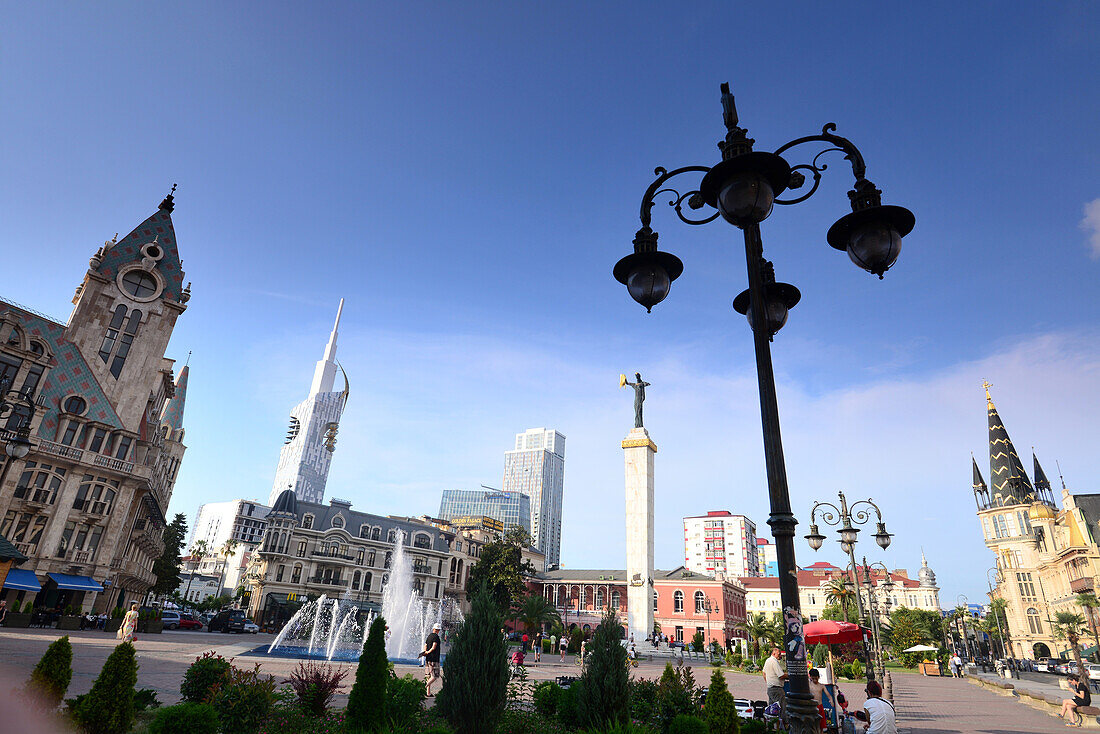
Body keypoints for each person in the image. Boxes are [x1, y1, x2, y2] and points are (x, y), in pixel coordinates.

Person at [762, 646, 788, 719]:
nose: (780, 656)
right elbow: (781, 675)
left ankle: (772, 724)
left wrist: (768, 682)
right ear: (774, 654)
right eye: (779, 654)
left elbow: (764, 673)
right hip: (777, 689)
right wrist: (789, 675)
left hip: (770, 688)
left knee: (772, 708)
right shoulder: (774, 661)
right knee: (782, 707)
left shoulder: (768, 660)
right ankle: (783, 724)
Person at [418, 622, 443, 697]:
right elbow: (434, 647)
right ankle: (423, 688)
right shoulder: (436, 637)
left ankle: (428, 693)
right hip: (434, 659)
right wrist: (428, 652)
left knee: (428, 676)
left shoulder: (429, 636)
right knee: (435, 676)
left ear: (433, 629)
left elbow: (425, 645)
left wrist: (425, 652)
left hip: (428, 659)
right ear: (438, 630)